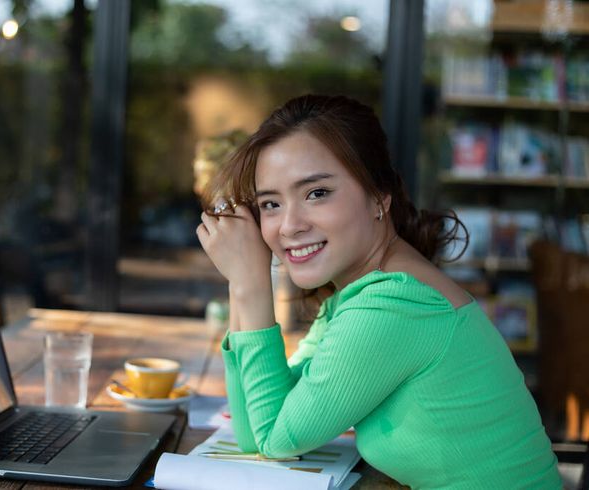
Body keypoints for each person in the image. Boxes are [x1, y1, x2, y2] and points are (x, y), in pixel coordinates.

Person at [195, 94, 561, 489]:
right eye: (270, 204)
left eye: (316, 193)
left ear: (378, 196)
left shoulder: (393, 304)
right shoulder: (358, 294)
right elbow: (256, 431)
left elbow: (273, 439)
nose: (289, 225)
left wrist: (250, 284)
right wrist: (240, 280)